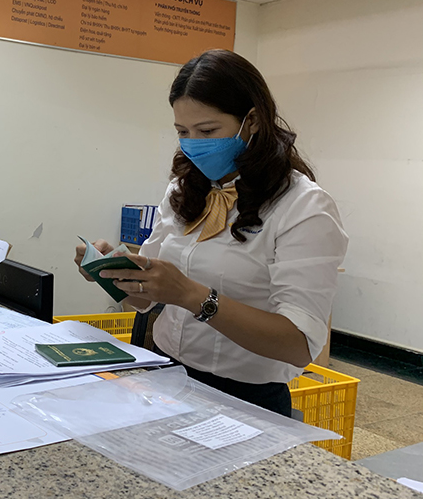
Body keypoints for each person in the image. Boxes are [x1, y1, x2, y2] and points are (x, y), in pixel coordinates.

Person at [74, 49, 347, 417]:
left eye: (207, 131)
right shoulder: (184, 190)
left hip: (247, 398)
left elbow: (298, 344)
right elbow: (147, 300)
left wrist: (191, 295)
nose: (193, 143)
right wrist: (113, 271)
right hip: (167, 376)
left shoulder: (303, 207)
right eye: (182, 132)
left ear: (251, 121)